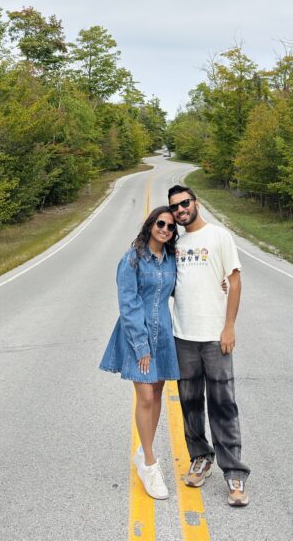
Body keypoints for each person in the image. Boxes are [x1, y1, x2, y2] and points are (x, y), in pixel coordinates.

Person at [168, 184, 250, 508]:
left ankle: (234, 473)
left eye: (184, 203)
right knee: (189, 403)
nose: (180, 210)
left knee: (222, 404)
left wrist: (229, 326)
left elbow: (235, 281)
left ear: (196, 203)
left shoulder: (218, 236)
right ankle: (200, 457)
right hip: (183, 336)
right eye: (175, 207)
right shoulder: (176, 243)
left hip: (215, 337)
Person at [99, 206, 179, 500]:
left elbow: (179, 290)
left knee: (157, 394)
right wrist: (141, 345)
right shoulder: (132, 259)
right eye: (161, 223)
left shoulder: (171, 260)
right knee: (145, 396)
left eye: (170, 226)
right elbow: (128, 304)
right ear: (150, 225)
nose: (165, 229)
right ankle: (149, 464)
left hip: (163, 335)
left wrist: (219, 283)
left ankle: (144, 451)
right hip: (137, 336)